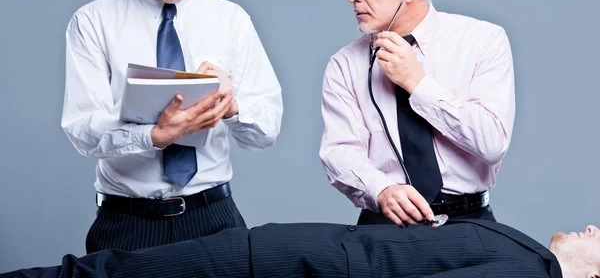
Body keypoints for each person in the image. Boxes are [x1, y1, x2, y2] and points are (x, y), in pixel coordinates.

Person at [60, 0, 282, 253]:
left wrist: (232, 107)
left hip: (214, 217)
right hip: (127, 224)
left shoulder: (230, 19)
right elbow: (82, 130)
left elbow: (267, 129)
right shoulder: (93, 21)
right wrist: (153, 136)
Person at [320, 0, 515, 225]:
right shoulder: (345, 64)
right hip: (384, 222)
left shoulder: (484, 41)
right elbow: (339, 150)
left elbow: (492, 143)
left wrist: (417, 84)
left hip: (471, 222)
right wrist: (382, 189)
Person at [5, 219, 599, 277]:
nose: (594, 228)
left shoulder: (531, 272)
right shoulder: (529, 252)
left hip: (281, 265)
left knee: (104, 276)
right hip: (285, 251)